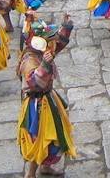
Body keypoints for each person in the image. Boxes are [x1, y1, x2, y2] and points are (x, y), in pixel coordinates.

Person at [17, 13, 76, 178]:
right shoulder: (29, 61)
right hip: (37, 105)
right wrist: (44, 65)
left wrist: (66, 27)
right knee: (39, 138)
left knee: (52, 137)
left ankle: (45, 167)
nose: (52, 43)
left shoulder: (42, 51)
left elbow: (58, 44)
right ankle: (30, 174)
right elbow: (34, 82)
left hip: (47, 99)